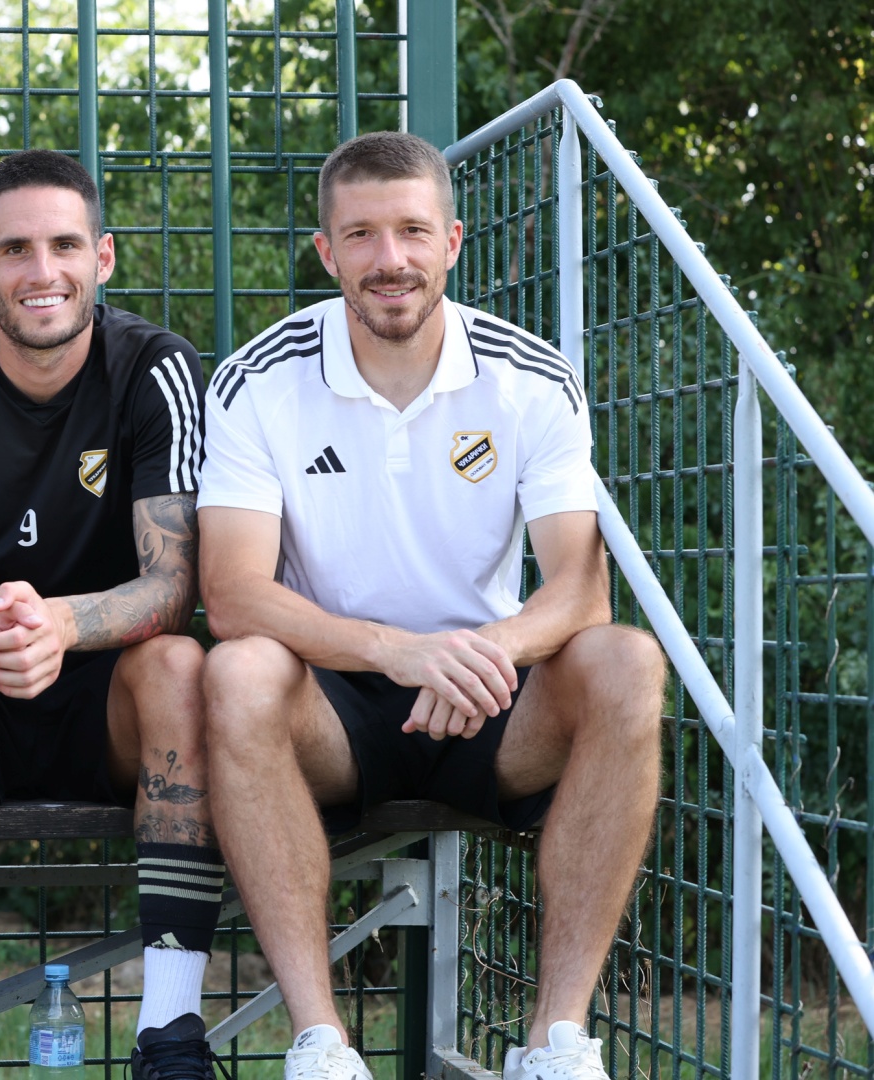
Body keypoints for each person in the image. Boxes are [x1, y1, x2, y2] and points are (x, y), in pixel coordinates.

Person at [196, 131, 665, 1080]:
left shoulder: (530, 375)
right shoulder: (257, 378)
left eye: (412, 231)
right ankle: (320, 1044)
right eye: (360, 235)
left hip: (491, 697)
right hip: (330, 705)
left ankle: (555, 1042)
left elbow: (579, 587)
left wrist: (481, 652)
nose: (390, 259)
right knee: (237, 671)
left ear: (451, 241)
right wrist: (396, 652)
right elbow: (231, 593)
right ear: (325, 252)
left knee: (627, 660)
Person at [0, 149, 220, 1080]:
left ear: (103, 257)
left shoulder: (158, 370)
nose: (42, 270)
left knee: (182, 666)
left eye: (64, 245)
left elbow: (173, 587)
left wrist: (59, 624)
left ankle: (171, 1032)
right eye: (15, 249)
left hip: (105, 697)